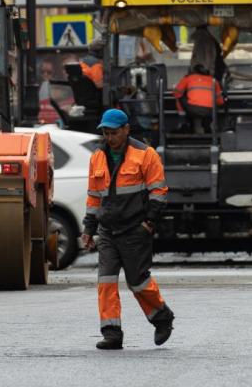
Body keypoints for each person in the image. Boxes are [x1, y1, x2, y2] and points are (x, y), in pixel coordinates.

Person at [82, 108, 175, 350]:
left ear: (126, 130)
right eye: (105, 132)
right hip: (108, 231)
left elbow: (159, 192)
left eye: (113, 132)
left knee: (138, 282)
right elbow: (94, 197)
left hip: (135, 229)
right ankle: (112, 332)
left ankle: (162, 317)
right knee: (106, 281)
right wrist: (88, 229)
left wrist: (149, 222)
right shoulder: (97, 157)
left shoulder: (145, 155)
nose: (109, 137)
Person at [172, 64, 225, 134]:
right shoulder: (214, 80)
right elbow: (220, 102)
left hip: (192, 109)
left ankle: (184, 122)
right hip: (210, 111)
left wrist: (188, 93)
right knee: (212, 106)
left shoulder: (188, 78)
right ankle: (207, 126)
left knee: (180, 96)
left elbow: (176, 93)